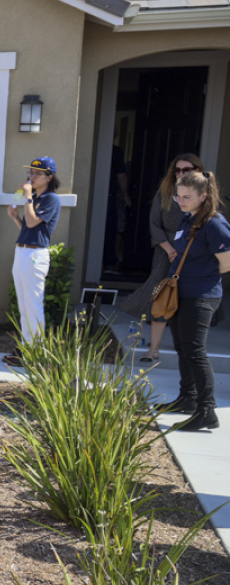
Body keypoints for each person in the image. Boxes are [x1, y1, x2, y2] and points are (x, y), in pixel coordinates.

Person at [159, 170, 230, 431]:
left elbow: (227, 263)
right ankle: (187, 399)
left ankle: (206, 410)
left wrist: (204, 281)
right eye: (178, 196)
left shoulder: (214, 223)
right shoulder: (189, 220)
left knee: (195, 351)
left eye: (187, 197)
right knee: (182, 347)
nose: (181, 201)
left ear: (203, 195)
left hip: (201, 296)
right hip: (182, 293)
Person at [120, 154, 204, 362]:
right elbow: (154, 224)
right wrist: (168, 248)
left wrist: (188, 249)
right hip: (165, 253)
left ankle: (189, 348)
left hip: (193, 256)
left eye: (187, 170)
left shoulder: (204, 196)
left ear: (197, 171)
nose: (181, 174)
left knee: (188, 301)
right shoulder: (165, 192)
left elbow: (207, 226)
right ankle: (153, 349)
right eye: (178, 170)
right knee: (160, 298)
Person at [3, 156, 63, 367]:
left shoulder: (51, 199)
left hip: (35, 256)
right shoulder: (37, 197)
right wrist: (15, 218)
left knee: (33, 305)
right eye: (31, 173)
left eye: (38, 173)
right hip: (24, 251)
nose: (32, 177)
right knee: (24, 305)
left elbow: (33, 221)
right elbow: (29, 228)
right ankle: (26, 348)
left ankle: (35, 353)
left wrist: (27, 199)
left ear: (49, 177)